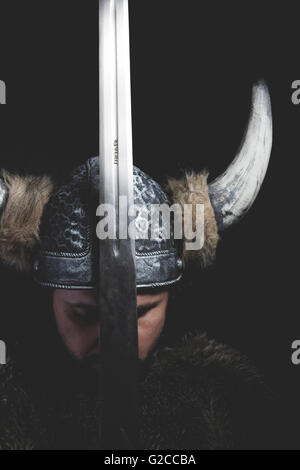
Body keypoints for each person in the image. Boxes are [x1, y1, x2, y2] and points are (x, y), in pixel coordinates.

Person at [0, 82, 278, 450]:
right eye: (83, 314)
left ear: (170, 299)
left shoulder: (230, 406)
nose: (116, 339)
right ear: (49, 298)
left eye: (142, 311)